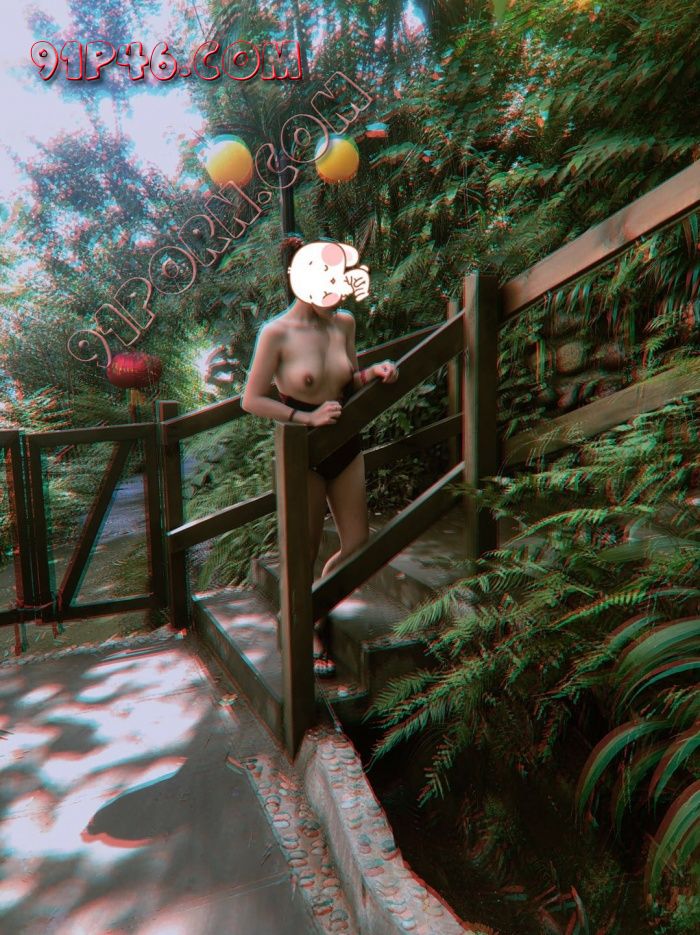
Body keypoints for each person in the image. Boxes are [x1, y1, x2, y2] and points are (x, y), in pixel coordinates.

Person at [241, 240, 399, 676]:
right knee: (304, 551)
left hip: (346, 443)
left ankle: (310, 608)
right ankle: (302, 623)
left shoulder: (344, 323)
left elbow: (347, 378)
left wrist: (373, 372)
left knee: (357, 543)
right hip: (303, 452)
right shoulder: (276, 333)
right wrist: (304, 417)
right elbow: (251, 400)